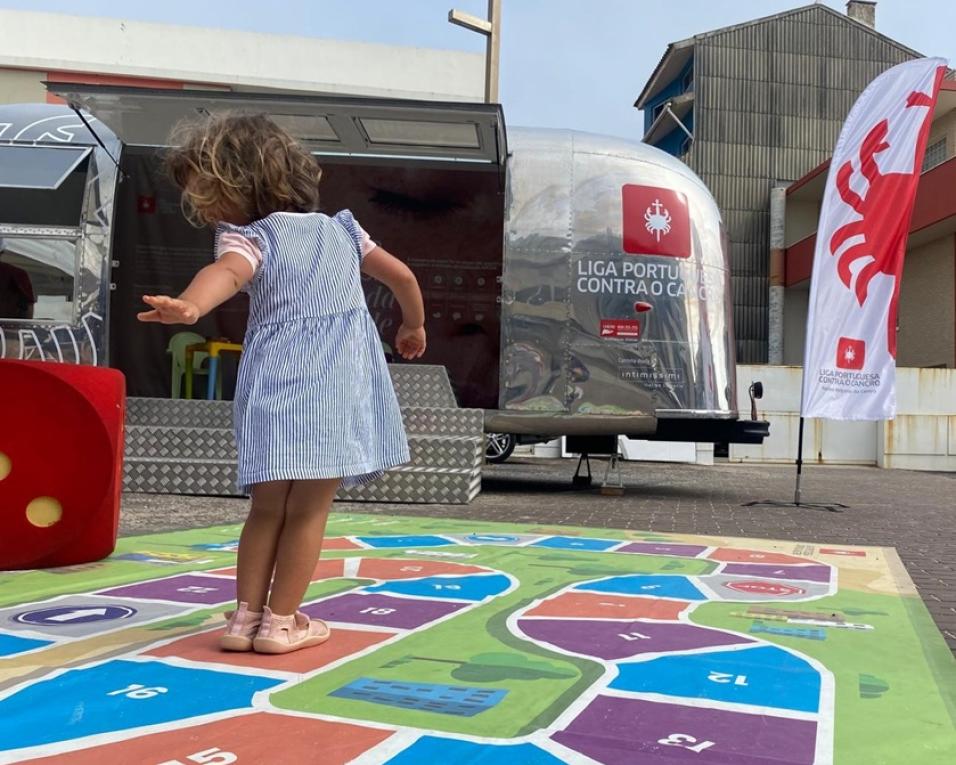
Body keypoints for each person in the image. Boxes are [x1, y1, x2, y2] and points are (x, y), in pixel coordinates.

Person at [138, 113, 426, 654]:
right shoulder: (344, 230)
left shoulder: (248, 237)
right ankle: (281, 622)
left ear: (239, 185)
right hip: (336, 389)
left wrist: (192, 306)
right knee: (310, 510)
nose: (202, 207)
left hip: (276, 390)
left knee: (267, 508)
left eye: (207, 193)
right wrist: (413, 325)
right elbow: (403, 277)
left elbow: (227, 274)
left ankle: (243, 619)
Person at [0, 239, 37, 320]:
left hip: (8, 328)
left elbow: (28, 305)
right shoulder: (17, 273)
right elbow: (29, 305)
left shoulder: (16, 273)